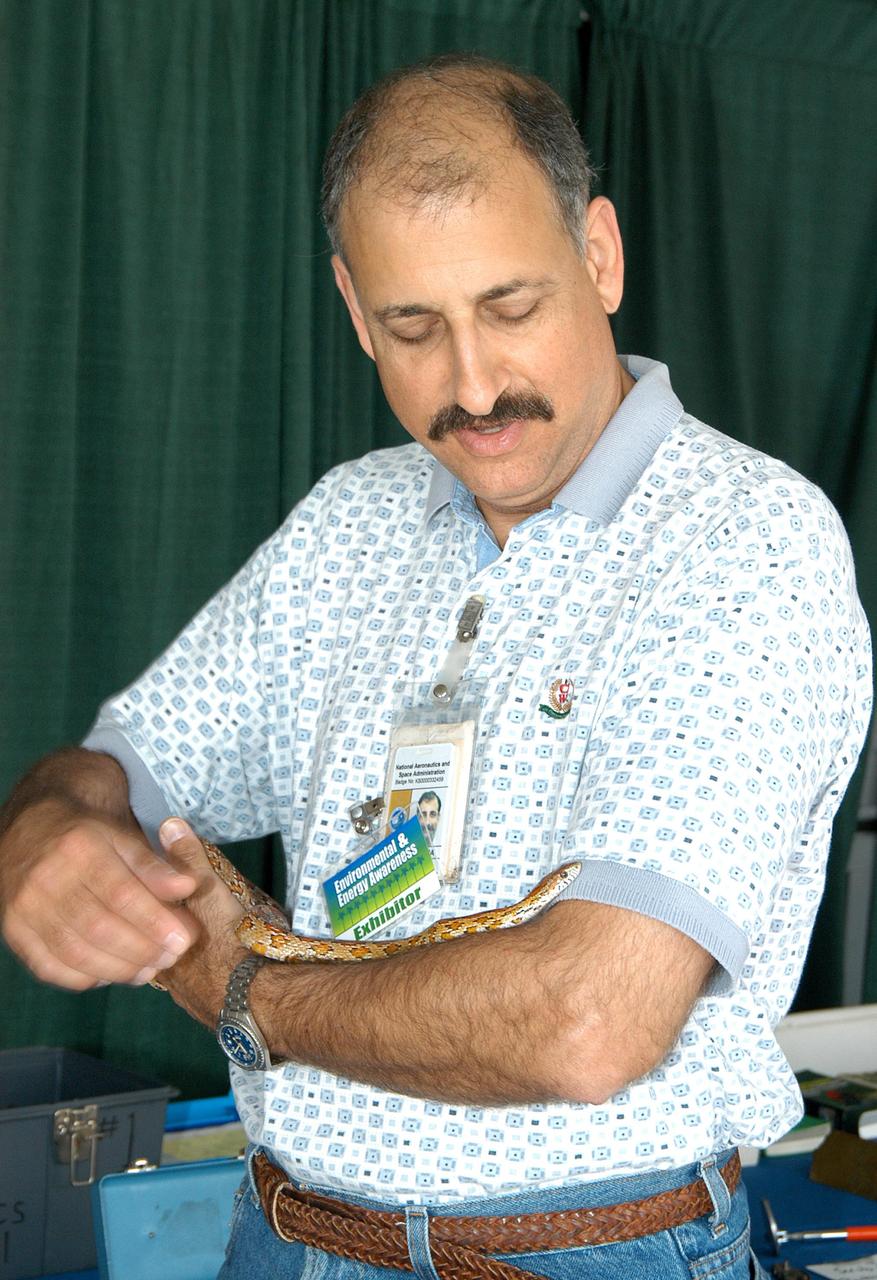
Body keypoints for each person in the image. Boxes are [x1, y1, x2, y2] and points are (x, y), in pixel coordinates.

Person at [0, 52, 871, 1280]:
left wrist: (244, 989)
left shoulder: (745, 542)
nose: (472, 386)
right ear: (355, 309)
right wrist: (47, 830)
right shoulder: (348, 523)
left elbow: (586, 1017)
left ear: (602, 256)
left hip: (588, 1251)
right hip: (287, 1233)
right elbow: (117, 771)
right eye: (413, 327)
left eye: (510, 307)